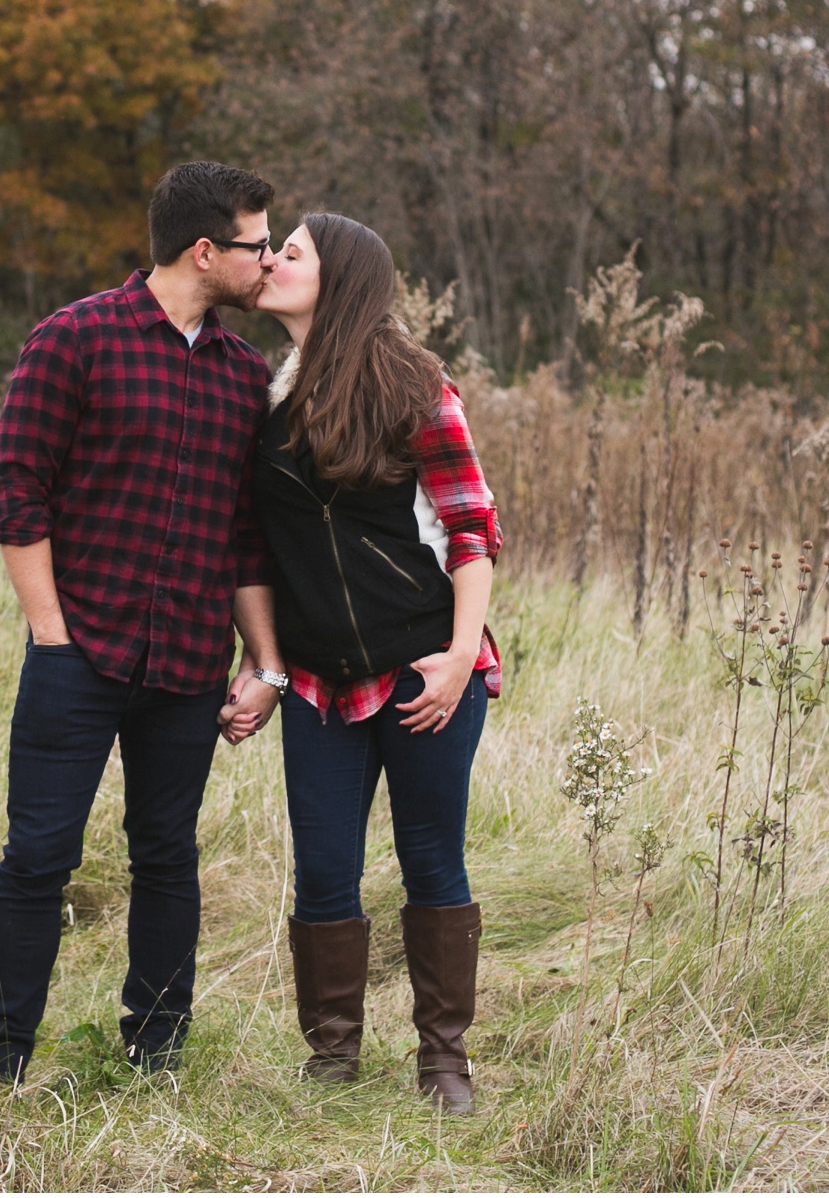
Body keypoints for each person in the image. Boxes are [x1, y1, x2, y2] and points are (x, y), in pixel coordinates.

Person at [0, 161, 283, 1084]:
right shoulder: (75, 339)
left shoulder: (241, 375)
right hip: (80, 652)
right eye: (257, 245)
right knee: (37, 858)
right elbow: (16, 495)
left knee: (166, 860)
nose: (267, 261)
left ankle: (156, 1054)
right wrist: (52, 634)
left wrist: (263, 664)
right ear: (203, 250)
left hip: (187, 665)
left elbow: (245, 537)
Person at [218, 212, 501, 1114]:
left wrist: (459, 659)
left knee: (432, 861)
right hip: (316, 681)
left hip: (422, 672)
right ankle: (333, 1057)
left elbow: (471, 531)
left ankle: (443, 1062)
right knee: (323, 869)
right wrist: (263, 669)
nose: (268, 263)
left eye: (288, 253)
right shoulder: (264, 399)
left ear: (336, 278)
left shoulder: (416, 387)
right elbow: (252, 553)